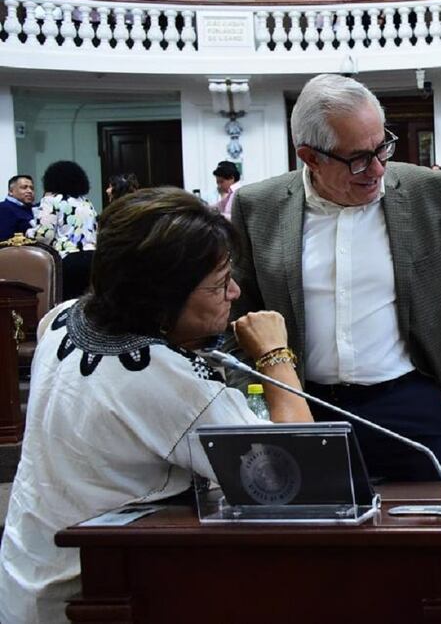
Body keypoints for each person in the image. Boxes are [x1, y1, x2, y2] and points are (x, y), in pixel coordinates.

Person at [0, 187, 312, 624]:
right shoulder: (160, 374)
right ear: (163, 297)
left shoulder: (66, 315)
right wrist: (275, 355)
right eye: (221, 284)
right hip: (97, 592)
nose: (236, 292)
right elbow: (297, 476)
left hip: (27, 573)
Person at [229, 73, 441, 482]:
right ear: (309, 156)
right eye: (357, 158)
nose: (377, 169)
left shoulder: (430, 192)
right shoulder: (256, 207)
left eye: (382, 148)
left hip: (412, 399)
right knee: (306, 533)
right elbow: (237, 319)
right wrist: (258, 404)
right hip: (303, 402)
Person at [26, 160, 99, 299]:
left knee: (66, 305)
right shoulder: (86, 203)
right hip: (93, 258)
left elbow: (44, 235)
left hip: (67, 260)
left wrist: (29, 233)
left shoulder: (51, 200)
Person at [0, 174, 35, 241]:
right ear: (11, 191)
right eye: (24, 187)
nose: (29, 191)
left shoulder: (34, 209)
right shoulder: (4, 208)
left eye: (32, 188)